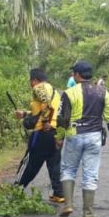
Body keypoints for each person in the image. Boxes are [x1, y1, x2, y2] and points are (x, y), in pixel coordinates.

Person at [56, 60, 109, 217]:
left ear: (77, 75)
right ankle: (88, 214)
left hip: (74, 135)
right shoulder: (103, 92)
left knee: (68, 169)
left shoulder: (69, 93)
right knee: (90, 174)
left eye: (74, 73)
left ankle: (68, 205)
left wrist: (59, 137)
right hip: (94, 137)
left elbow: (62, 119)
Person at [13, 69, 65, 204]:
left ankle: (16, 189)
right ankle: (58, 193)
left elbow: (46, 104)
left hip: (42, 132)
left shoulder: (39, 87)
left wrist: (46, 121)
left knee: (30, 162)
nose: (31, 84)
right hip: (56, 131)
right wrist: (24, 114)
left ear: (35, 80)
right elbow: (45, 109)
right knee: (54, 164)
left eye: (31, 81)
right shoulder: (55, 92)